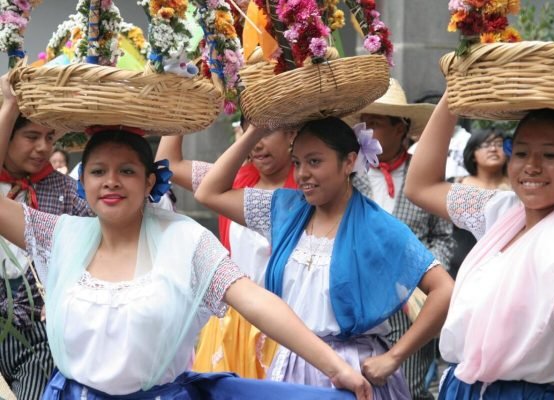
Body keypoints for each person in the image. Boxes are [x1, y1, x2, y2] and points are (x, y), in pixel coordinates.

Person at [0, 90, 371, 400]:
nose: (111, 182)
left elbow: (254, 301)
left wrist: (335, 366)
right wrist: (9, 106)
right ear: (83, 183)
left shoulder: (184, 239)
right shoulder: (61, 235)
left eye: (127, 171)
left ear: (149, 182)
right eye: (98, 171)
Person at [196, 116, 454, 399]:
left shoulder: (377, 227)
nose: (302, 173)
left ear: (348, 162)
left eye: (314, 162)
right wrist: (257, 128)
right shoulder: (284, 209)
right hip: (290, 363)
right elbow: (209, 192)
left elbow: (444, 289)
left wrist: (395, 357)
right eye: (297, 162)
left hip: (352, 372)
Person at [404, 90, 554, 399]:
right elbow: (420, 186)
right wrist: (453, 96)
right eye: (521, 152)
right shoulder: (507, 211)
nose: (531, 166)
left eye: (550, 155)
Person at [155, 118, 296, 378]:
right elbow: (167, 164)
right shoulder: (230, 183)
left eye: (267, 130)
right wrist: (181, 101)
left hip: (285, 323)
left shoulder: (309, 194)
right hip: (231, 323)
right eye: (248, 129)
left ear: (292, 133)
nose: (257, 143)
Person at [352, 79, 454, 400]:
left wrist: (418, 278)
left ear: (402, 129)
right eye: (363, 122)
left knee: (407, 386)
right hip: (358, 303)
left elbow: (444, 238)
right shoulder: (347, 173)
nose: (366, 131)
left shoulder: (426, 177)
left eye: (377, 123)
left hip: (414, 307)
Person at [0, 81, 93, 399]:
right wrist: (10, 107)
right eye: (31, 136)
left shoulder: (65, 190)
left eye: (50, 137)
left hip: (40, 337)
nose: (43, 147)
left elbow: (98, 246)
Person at [447, 129, 511, 278]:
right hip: (459, 269)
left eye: (499, 144)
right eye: (486, 144)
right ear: (473, 153)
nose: (493, 149)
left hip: (506, 270)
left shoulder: (520, 188)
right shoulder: (455, 186)